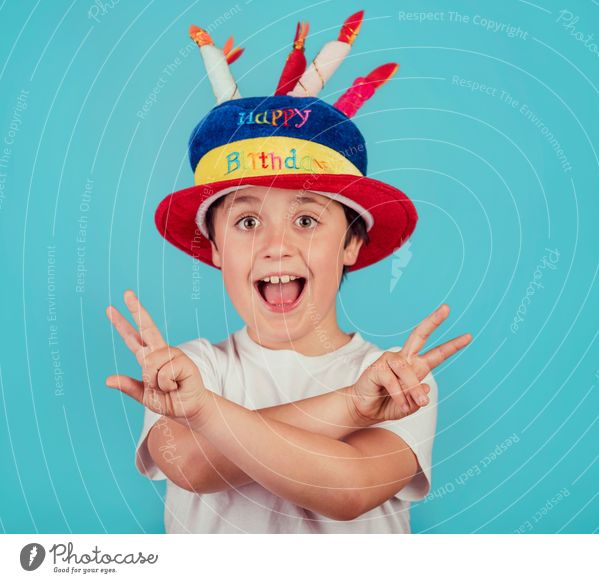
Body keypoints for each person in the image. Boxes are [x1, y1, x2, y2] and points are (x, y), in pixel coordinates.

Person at [104, 11, 472, 533]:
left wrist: (209, 414)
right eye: (248, 221)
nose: (277, 246)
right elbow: (188, 465)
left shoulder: (398, 378)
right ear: (213, 248)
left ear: (352, 242)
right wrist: (349, 407)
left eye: (305, 219)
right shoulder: (188, 370)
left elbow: (347, 490)